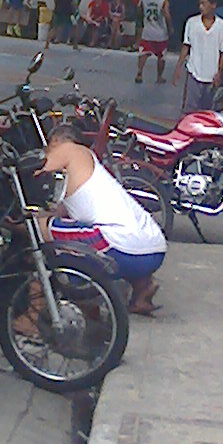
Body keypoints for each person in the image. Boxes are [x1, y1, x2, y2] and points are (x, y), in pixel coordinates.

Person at [41, 135, 167, 316]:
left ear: (55, 142)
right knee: (71, 229)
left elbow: (33, 176)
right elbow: (60, 209)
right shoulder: (93, 169)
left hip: (121, 248)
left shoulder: (66, 149)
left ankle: (49, 310)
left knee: (39, 229)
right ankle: (142, 290)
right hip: (154, 251)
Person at [176, 0, 223, 113]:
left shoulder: (222, 26)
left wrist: (219, 72)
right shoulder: (192, 22)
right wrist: (178, 67)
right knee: (189, 109)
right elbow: (186, 46)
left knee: (207, 110)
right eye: (200, 4)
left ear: (213, 5)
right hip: (194, 71)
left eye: (204, 4)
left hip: (211, 75)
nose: (201, 7)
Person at [135, 0, 171, 85]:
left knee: (143, 53)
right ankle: (159, 77)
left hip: (147, 31)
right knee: (161, 56)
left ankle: (139, 73)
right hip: (160, 33)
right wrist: (170, 28)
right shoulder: (163, 1)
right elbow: (167, 15)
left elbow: (139, 12)